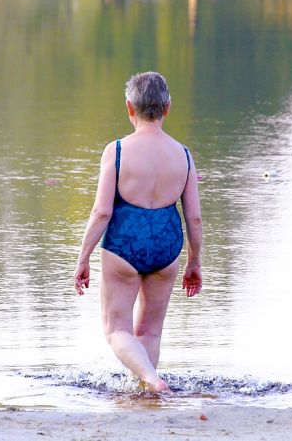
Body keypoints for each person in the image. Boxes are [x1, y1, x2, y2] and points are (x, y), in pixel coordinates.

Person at [73, 71, 203, 392]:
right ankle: (143, 390)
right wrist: (194, 262)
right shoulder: (183, 155)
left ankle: (150, 381)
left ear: (129, 107)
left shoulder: (116, 151)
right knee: (150, 332)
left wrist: (83, 258)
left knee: (117, 329)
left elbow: (102, 211)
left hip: (124, 243)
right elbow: (195, 218)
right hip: (167, 245)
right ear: (167, 108)